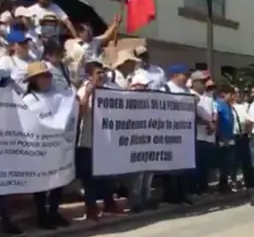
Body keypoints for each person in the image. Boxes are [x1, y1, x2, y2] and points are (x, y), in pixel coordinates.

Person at [23, 61, 71, 229]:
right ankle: (42, 215)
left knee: (59, 181)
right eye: (43, 76)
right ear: (34, 79)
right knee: (41, 184)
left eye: (48, 76)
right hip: (39, 148)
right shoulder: (28, 100)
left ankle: (54, 212)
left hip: (57, 146)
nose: (47, 79)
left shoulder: (58, 96)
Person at [76, 60, 122, 220]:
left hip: (105, 142)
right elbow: (80, 112)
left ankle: (109, 204)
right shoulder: (83, 90)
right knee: (89, 179)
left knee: (107, 176)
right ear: (89, 76)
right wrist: (88, 94)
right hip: (88, 142)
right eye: (98, 73)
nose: (102, 75)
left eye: (103, 72)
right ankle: (91, 208)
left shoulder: (108, 90)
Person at [160, 64, 193, 204]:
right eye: (184, 75)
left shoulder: (187, 91)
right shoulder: (165, 89)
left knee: (183, 167)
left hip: (185, 134)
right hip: (169, 133)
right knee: (171, 167)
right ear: (175, 75)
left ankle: (182, 194)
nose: (186, 78)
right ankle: (171, 195)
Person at [128, 71, 157, 212]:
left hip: (149, 140)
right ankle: (136, 202)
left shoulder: (150, 101)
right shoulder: (127, 101)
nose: (147, 89)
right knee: (137, 175)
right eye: (144, 86)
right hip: (134, 142)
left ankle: (147, 198)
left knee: (148, 173)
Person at [189, 71, 217, 194]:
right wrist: (207, 123)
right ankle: (196, 189)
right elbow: (192, 115)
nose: (204, 84)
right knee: (198, 164)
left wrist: (213, 125)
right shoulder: (190, 95)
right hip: (198, 136)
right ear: (194, 82)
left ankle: (204, 187)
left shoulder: (209, 97)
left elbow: (214, 112)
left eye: (204, 82)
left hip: (209, 136)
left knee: (206, 164)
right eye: (201, 82)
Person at [215, 82, 237, 193]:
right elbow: (217, 121)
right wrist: (221, 136)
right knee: (223, 162)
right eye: (230, 94)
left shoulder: (228, 106)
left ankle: (225, 184)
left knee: (228, 163)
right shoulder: (218, 105)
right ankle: (222, 185)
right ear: (223, 94)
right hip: (222, 138)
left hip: (230, 137)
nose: (232, 97)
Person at [232, 87, 254, 189]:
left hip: (245, 136)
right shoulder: (231, 106)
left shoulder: (248, 106)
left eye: (240, 93)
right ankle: (234, 182)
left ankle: (249, 183)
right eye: (236, 93)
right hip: (234, 135)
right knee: (234, 161)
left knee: (247, 160)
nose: (238, 95)